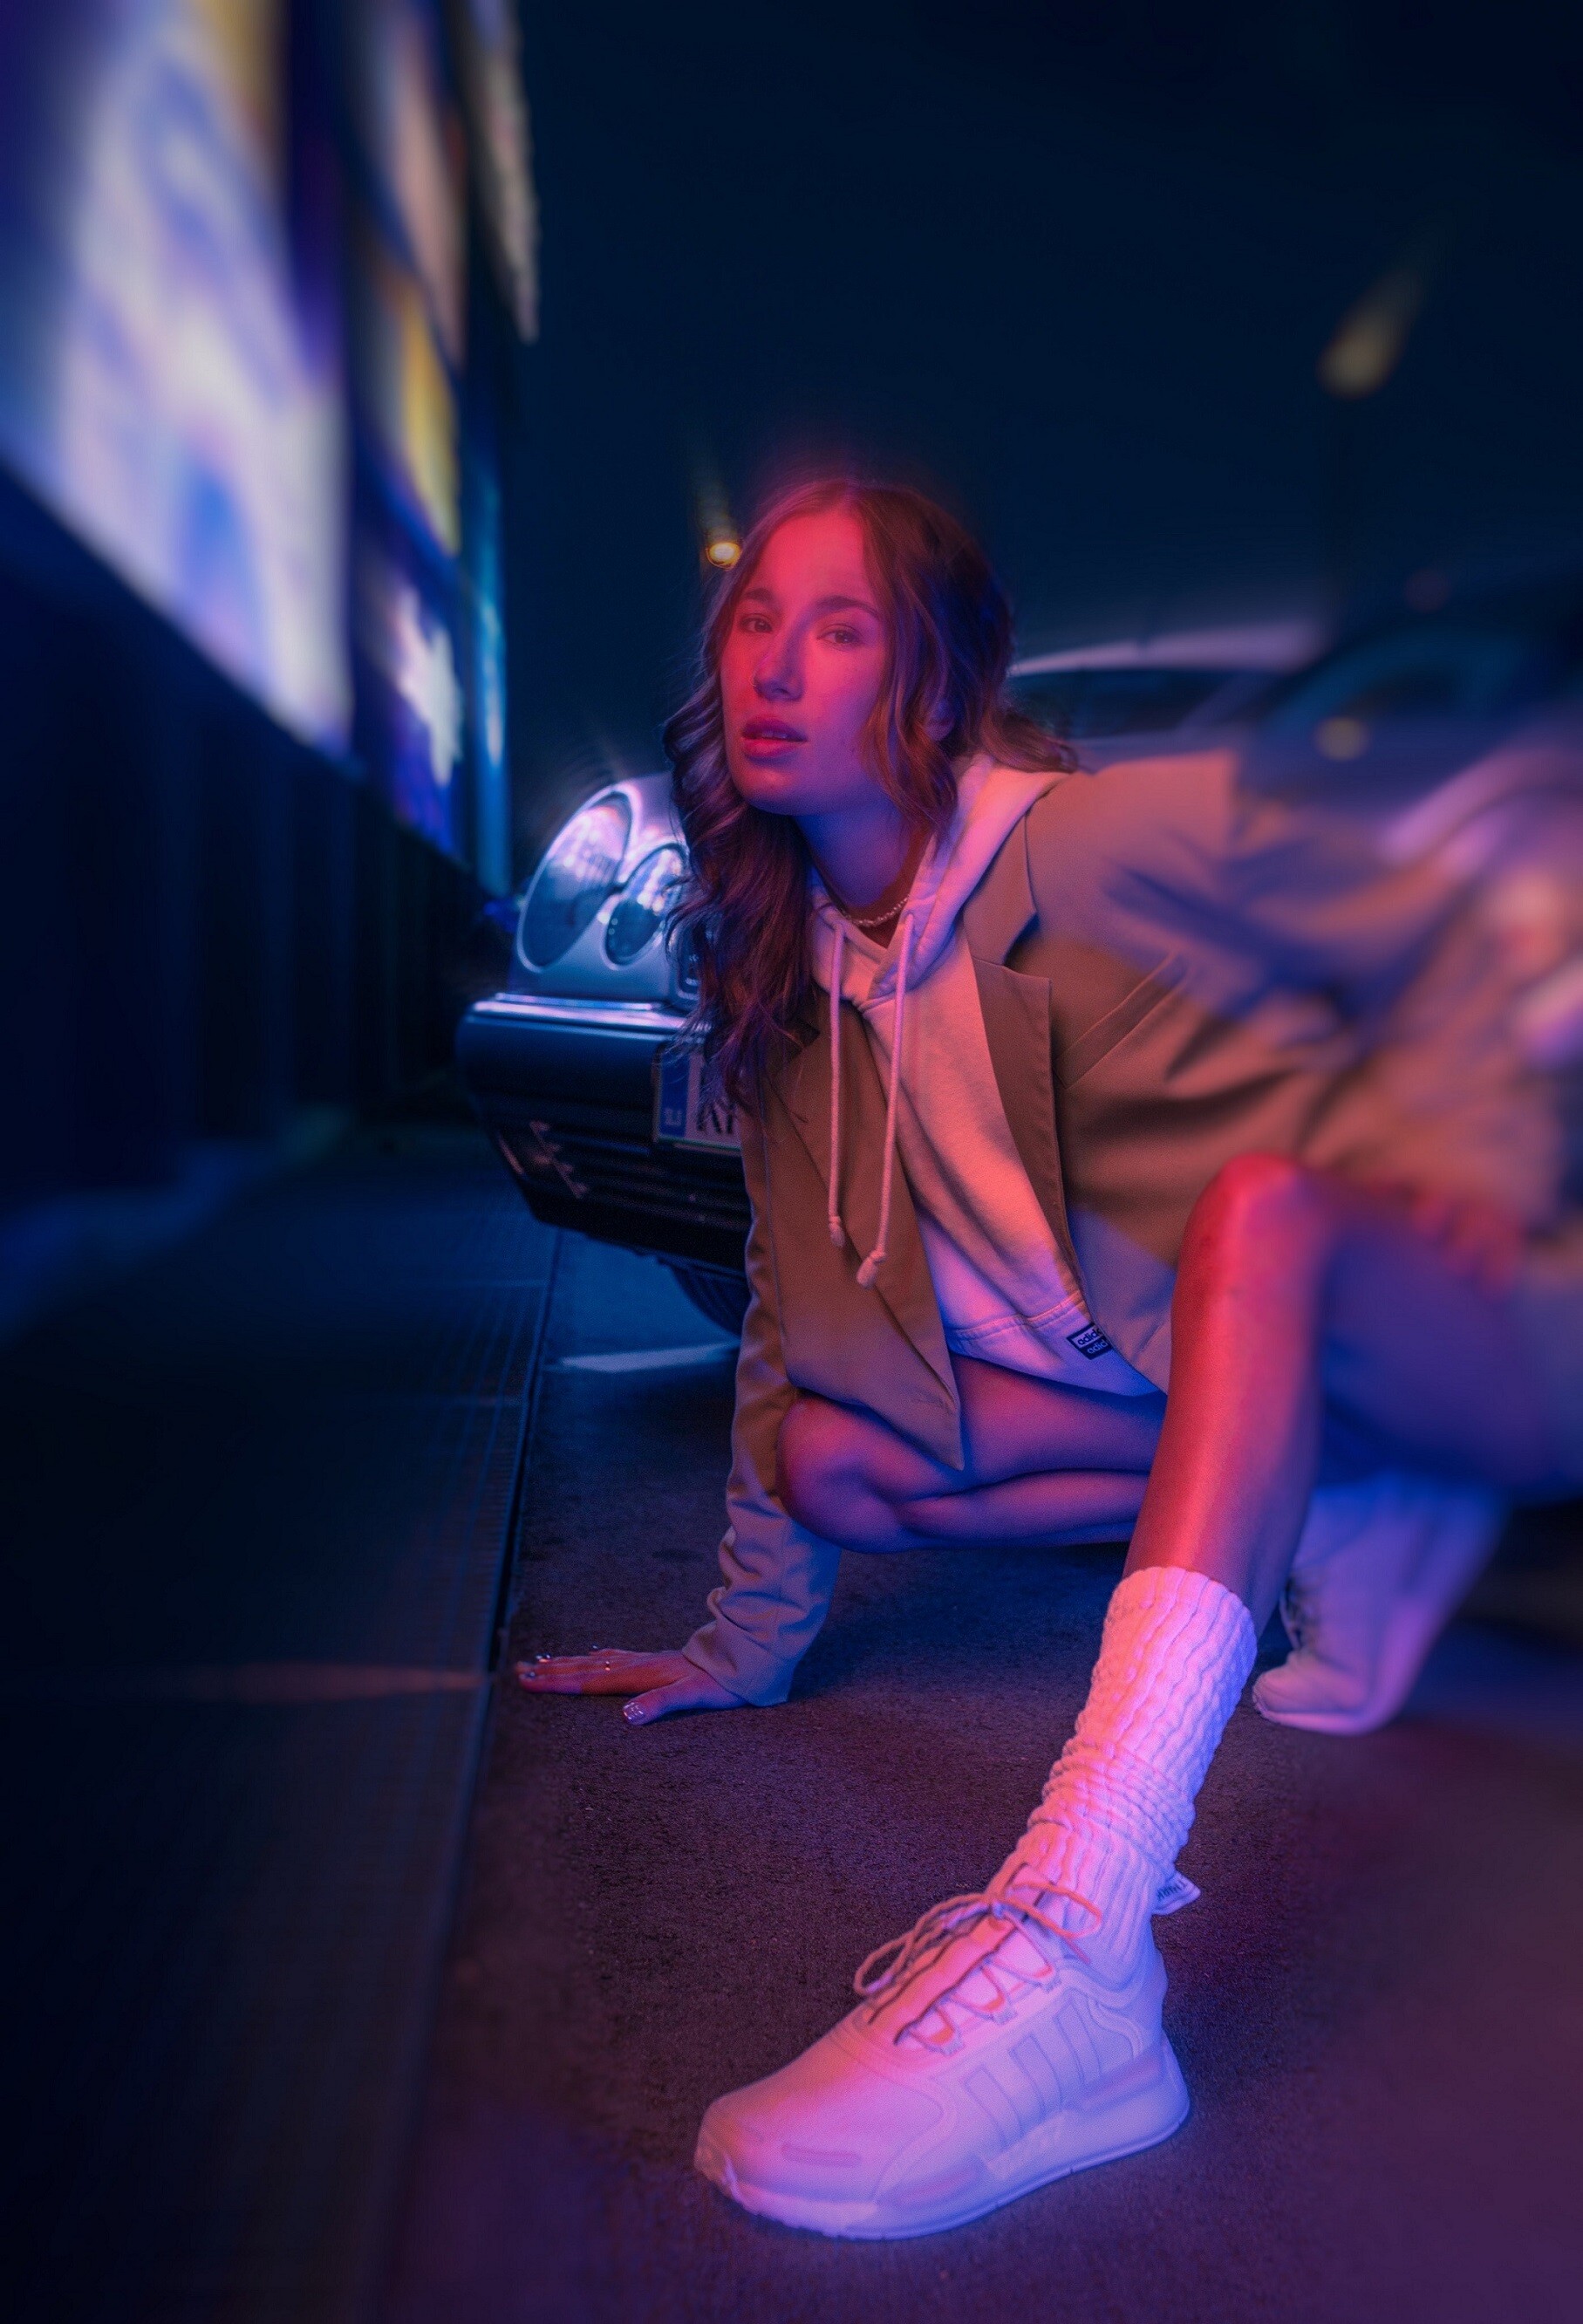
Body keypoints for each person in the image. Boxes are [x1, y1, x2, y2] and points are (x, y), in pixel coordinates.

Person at [517, 479, 1576, 2239]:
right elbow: (782, 1317)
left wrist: (1470, 1137)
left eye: (839, 628)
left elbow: (1433, 913)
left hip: (1466, 1319)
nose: (776, 664)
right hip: (1201, 1369)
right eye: (756, 620)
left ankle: (1082, 1942)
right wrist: (738, 1645)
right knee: (827, 1454)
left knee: (1262, 1213)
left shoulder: (1089, 843)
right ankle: (1326, 1494)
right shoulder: (791, 981)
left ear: (930, 683)